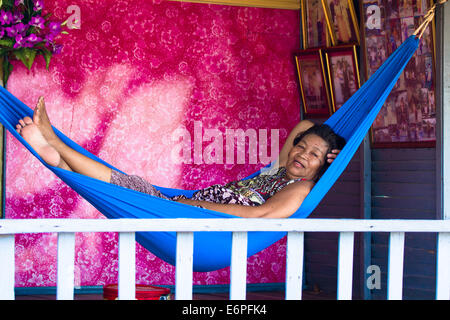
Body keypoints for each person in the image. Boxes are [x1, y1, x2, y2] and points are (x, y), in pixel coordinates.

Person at [16, 97, 345, 219]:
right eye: (301, 147)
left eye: (313, 155)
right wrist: (324, 149)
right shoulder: (280, 168)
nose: (302, 153)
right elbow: (304, 127)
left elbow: (258, 216)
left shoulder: (300, 187)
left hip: (199, 214)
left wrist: (196, 207)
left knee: (128, 187)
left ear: (320, 169)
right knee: (129, 187)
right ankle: (55, 157)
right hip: (191, 204)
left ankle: (55, 144)